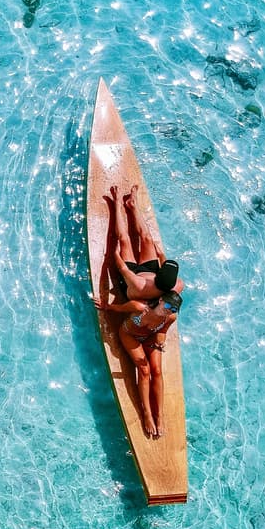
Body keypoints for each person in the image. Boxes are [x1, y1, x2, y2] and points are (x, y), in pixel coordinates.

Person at [93, 291, 182, 439]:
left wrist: (160, 341)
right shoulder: (139, 307)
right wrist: (106, 306)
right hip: (129, 335)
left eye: (173, 309)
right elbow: (119, 309)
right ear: (160, 300)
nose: (168, 310)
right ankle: (147, 413)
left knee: (157, 371)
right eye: (167, 305)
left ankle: (159, 416)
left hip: (149, 337)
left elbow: (163, 332)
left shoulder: (170, 317)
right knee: (144, 370)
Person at [102, 185, 183, 302]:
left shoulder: (139, 285)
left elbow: (122, 268)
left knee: (124, 240)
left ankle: (117, 204)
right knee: (147, 238)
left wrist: (115, 253)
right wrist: (160, 254)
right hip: (149, 271)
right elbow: (165, 266)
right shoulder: (177, 284)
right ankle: (132, 205)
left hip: (130, 276)